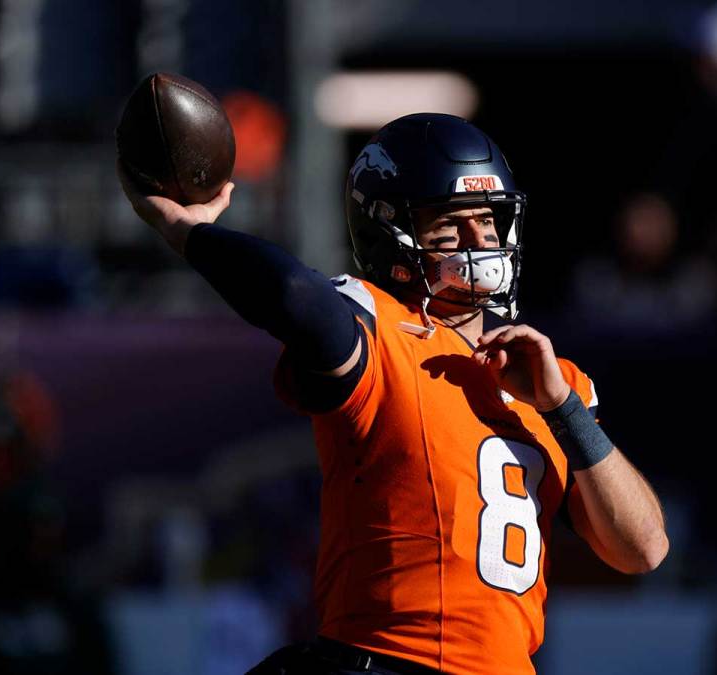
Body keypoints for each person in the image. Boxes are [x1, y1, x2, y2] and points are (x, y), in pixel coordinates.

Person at [118, 112, 669, 675]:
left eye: (488, 220)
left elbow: (642, 548)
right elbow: (290, 293)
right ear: (392, 236)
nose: (480, 242)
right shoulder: (380, 332)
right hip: (386, 660)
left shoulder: (556, 382)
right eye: (451, 228)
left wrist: (562, 409)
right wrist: (194, 234)